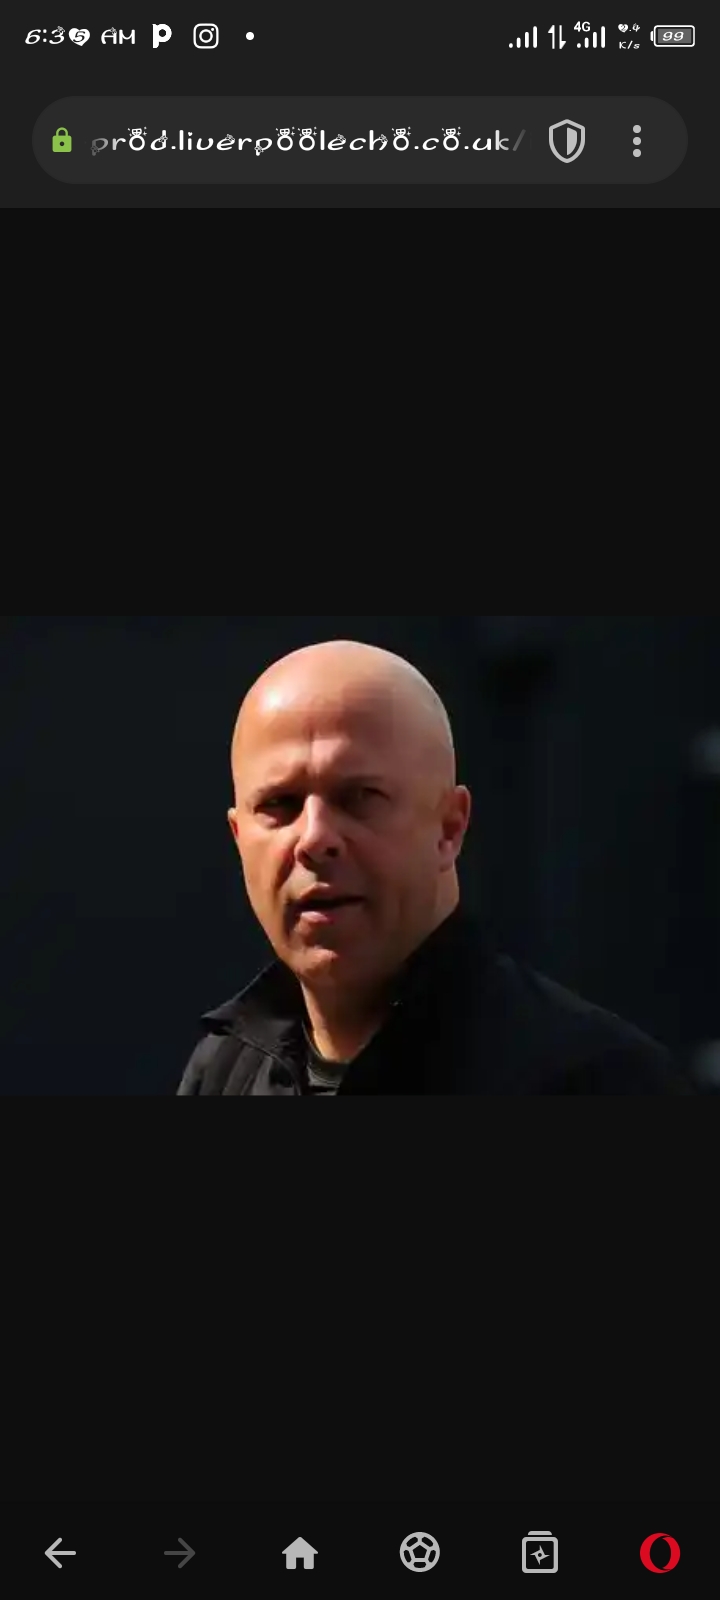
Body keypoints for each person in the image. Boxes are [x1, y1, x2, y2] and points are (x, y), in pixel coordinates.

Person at [177, 640, 689, 1096]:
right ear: (240, 839)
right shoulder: (225, 1071)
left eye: (359, 797)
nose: (313, 838)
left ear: (449, 827)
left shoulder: (591, 1080)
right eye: (279, 805)